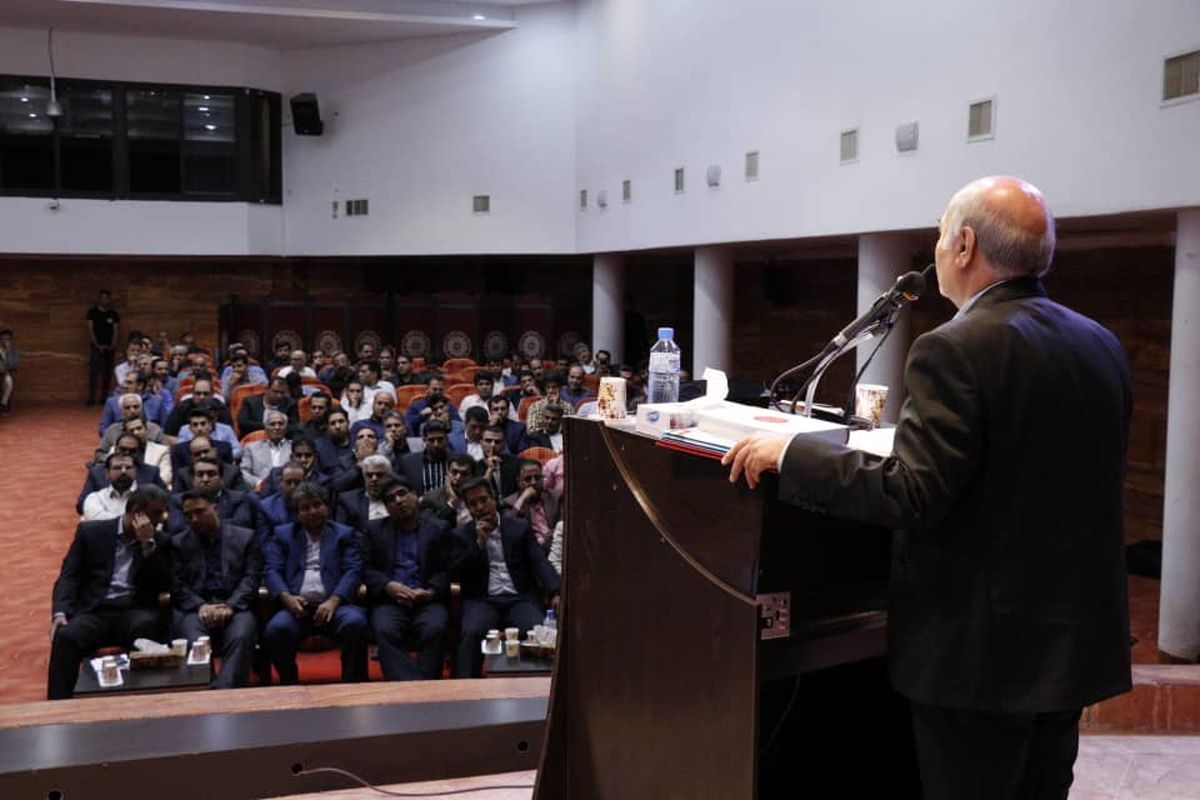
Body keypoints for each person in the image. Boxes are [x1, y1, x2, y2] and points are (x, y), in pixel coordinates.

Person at [723, 176, 1132, 800]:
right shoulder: (1099, 344)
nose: (937, 248)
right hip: (1069, 651)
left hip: (982, 663)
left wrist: (793, 453)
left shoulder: (956, 348)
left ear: (964, 244)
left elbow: (912, 493)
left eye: (940, 234)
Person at [48, 486, 172, 699]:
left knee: (147, 628)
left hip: (134, 610)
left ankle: (147, 702)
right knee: (66, 637)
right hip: (96, 610)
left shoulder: (160, 541)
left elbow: (165, 584)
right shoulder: (92, 532)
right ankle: (58, 706)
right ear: (136, 513)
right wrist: (61, 613)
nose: (160, 520)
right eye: (156, 514)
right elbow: (69, 577)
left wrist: (147, 547)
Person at [448, 478, 560, 678]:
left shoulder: (518, 527)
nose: (480, 507)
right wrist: (478, 545)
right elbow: (455, 573)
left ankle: (540, 688)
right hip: (482, 601)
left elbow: (540, 563)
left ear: (494, 499)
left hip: (519, 598)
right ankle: (464, 689)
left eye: (483, 500)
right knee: (472, 632)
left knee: (538, 632)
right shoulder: (461, 535)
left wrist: (555, 592)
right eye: (473, 504)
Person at [263, 482, 369, 684]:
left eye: (317, 505)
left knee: (355, 624)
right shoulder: (283, 535)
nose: (312, 511)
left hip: (336, 607)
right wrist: (287, 598)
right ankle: (289, 685)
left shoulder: (344, 534)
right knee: (276, 629)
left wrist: (334, 601)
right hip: (297, 608)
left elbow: (353, 570)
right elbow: (271, 570)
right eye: (305, 508)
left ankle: (351, 685)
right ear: (297, 513)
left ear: (327, 507)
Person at [169, 489, 262, 689]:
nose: (194, 519)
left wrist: (230, 606)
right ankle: (205, 686)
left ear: (215, 508)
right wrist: (201, 606)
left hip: (235, 606)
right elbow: (177, 585)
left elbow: (251, 579)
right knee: (195, 640)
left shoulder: (245, 537)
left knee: (241, 635)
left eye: (199, 512)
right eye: (188, 515)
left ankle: (222, 692)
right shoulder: (178, 543)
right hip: (196, 609)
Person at [362, 478, 453, 681]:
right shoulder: (374, 530)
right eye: (391, 499)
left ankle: (418, 685)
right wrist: (387, 586)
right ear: (386, 507)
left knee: (435, 628)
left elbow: (447, 569)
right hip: (391, 600)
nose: (398, 500)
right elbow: (367, 569)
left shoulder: (438, 528)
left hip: (427, 600)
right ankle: (417, 687)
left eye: (402, 494)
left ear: (414, 495)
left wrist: (430, 592)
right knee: (384, 629)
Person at [501, 459, 560, 552]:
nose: (533, 482)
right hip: (529, 553)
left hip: (554, 547)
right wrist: (522, 499)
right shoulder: (510, 503)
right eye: (528, 479)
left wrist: (546, 540)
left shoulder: (554, 497)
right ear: (518, 481)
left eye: (537, 478)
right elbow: (508, 528)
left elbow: (561, 526)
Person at [86, 290, 121, 406]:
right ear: (99, 299)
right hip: (96, 347)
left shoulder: (113, 314)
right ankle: (91, 398)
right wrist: (97, 345)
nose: (105, 300)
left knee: (107, 374)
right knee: (94, 373)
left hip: (110, 348)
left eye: (107, 298)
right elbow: (90, 330)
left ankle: (104, 398)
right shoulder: (92, 312)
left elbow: (116, 330)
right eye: (103, 298)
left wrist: (112, 345)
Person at [0, 328, 20, 411]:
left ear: (11, 340)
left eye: (7, 339)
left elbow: (12, 365)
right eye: (2, 339)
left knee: (8, 381)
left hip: (4, 373)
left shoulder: (15, 353)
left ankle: (3, 403)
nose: (4, 341)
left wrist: (7, 353)